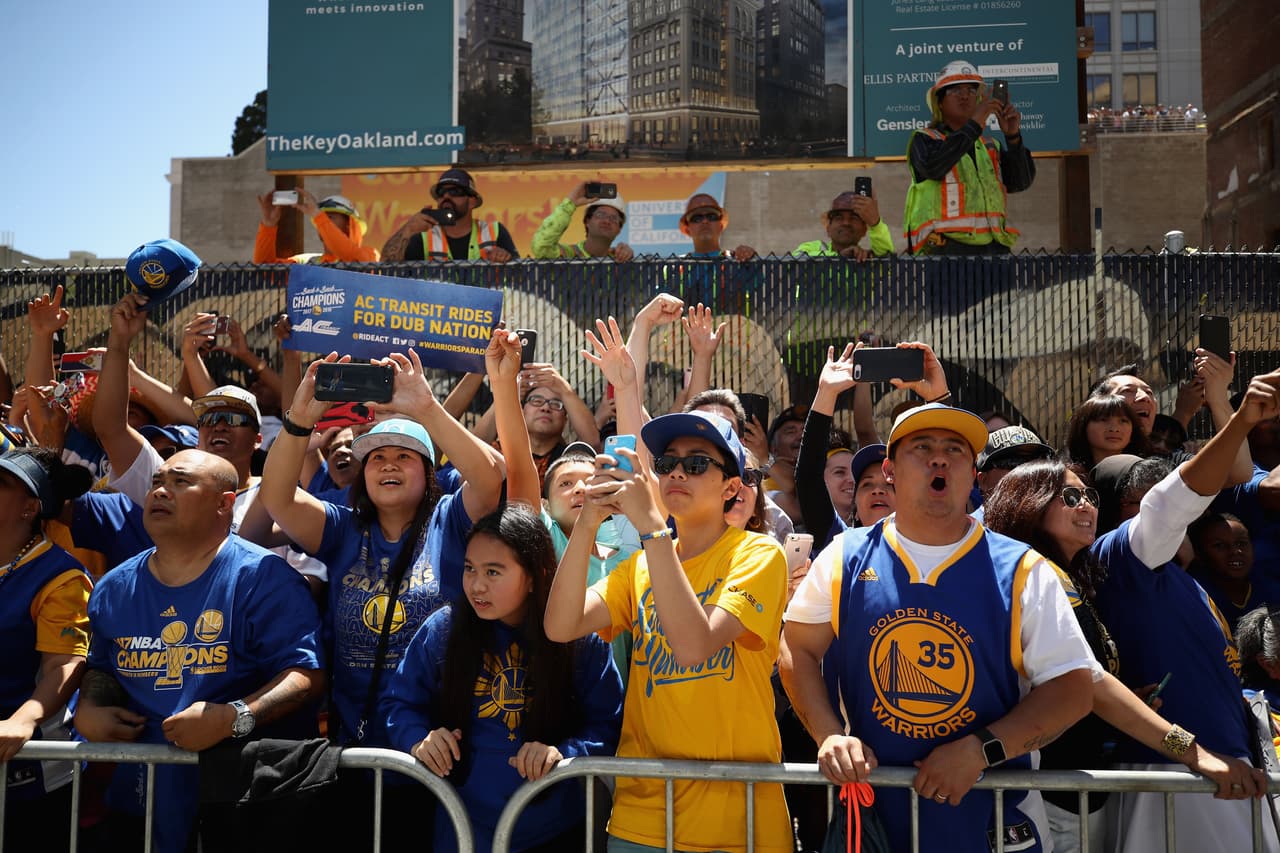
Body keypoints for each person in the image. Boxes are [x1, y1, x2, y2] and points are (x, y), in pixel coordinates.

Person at [780, 403, 1098, 852]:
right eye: (921, 447)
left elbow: (1072, 689)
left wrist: (983, 748)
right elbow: (797, 648)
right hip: (878, 823)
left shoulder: (1023, 569)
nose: (939, 459)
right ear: (890, 470)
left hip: (995, 824)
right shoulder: (844, 557)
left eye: (955, 450)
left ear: (973, 475)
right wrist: (828, 733)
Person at [259, 349, 503, 843]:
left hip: (443, 749)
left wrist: (427, 409)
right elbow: (278, 497)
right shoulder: (342, 529)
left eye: (404, 456)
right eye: (377, 458)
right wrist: (300, 422)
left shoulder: (452, 520)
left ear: (428, 471)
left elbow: (491, 478)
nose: (388, 465)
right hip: (358, 752)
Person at [983, 459, 1264, 851]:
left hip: (1080, 794)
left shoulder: (1069, 582)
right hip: (1046, 796)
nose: (1086, 505)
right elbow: (1091, 686)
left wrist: (1127, 700)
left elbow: (1088, 688)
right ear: (1029, 504)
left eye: (1089, 495)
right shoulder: (1032, 578)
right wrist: (1196, 753)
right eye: (1069, 496)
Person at [545, 410, 792, 852]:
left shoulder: (758, 553)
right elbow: (561, 625)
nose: (677, 471)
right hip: (644, 814)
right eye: (666, 463)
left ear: (732, 487)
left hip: (738, 816)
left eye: (697, 463)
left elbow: (694, 646)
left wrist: (653, 529)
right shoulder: (640, 565)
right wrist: (588, 521)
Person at [74, 449, 325, 853]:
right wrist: (90, 706)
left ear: (224, 504)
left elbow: (305, 676)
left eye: (180, 482)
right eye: (157, 482)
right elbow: (103, 667)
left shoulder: (264, 578)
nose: (160, 492)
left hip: (243, 807)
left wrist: (234, 718)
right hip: (142, 807)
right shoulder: (113, 587)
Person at [1084, 369, 1280, 852]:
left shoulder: (1180, 578)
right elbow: (1170, 506)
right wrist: (1239, 422)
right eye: (1139, 498)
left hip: (1223, 772)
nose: (1179, 517)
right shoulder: (1117, 557)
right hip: (1173, 778)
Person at [383, 504, 624, 853]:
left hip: (556, 829)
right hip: (460, 828)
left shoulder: (579, 639)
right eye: (469, 569)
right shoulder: (443, 630)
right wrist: (420, 739)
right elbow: (399, 702)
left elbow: (608, 724)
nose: (477, 585)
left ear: (535, 575)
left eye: (493, 572)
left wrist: (563, 754)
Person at [0, 449, 94, 853]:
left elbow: (64, 663)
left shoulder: (61, 575)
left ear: (30, 508)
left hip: (30, 774)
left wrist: (23, 720)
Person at [904, 60, 1034, 255]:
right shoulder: (925, 139)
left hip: (994, 250)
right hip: (945, 252)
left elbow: (1020, 182)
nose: (965, 96)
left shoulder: (990, 146)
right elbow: (934, 168)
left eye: (972, 91)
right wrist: (975, 122)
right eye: (955, 90)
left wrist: (1013, 137)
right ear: (939, 102)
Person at [380, 168, 518, 262]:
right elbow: (386, 265)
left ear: (472, 202)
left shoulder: (495, 231)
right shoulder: (423, 238)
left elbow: (521, 276)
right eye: (441, 193)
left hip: (486, 305)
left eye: (455, 192)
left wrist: (505, 258)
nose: (446, 196)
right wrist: (408, 229)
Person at [253, 189, 379, 264]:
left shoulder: (370, 256)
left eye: (329, 218)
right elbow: (264, 269)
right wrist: (268, 226)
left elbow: (351, 256)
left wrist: (317, 215)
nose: (322, 223)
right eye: (321, 218)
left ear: (349, 226)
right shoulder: (306, 262)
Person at [530, 181, 634, 260]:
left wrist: (629, 259)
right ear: (587, 221)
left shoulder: (619, 261)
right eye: (601, 214)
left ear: (619, 229)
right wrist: (570, 204)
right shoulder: (569, 255)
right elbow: (541, 247)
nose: (607, 221)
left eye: (613, 218)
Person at [793, 190, 895, 261]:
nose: (846, 223)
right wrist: (837, 257)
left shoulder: (867, 260)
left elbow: (887, 258)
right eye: (838, 217)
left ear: (864, 229)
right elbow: (792, 265)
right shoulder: (810, 248)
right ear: (828, 227)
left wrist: (875, 224)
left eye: (854, 218)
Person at [1064, 395, 1153, 467]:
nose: (1114, 429)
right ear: (1083, 427)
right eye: (1103, 420)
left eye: (1123, 421)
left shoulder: (1145, 473)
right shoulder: (1068, 477)